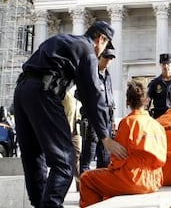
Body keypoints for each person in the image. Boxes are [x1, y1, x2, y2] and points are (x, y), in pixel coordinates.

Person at [13, 20, 127, 208]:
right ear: (101, 39)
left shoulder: (62, 40)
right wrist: (105, 137)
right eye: (105, 46)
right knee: (65, 161)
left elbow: (82, 93)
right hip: (44, 93)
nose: (102, 53)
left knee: (33, 156)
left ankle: (39, 203)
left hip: (22, 92)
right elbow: (93, 95)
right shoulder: (88, 52)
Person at [79, 80, 167, 207]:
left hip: (133, 179)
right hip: (154, 180)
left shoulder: (127, 123)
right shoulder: (157, 125)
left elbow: (117, 160)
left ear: (127, 102)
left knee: (86, 178)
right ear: (147, 101)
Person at [80, 48, 117, 174]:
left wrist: (112, 120)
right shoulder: (91, 74)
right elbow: (80, 95)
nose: (108, 61)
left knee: (105, 157)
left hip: (106, 121)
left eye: (110, 59)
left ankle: (101, 188)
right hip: (93, 120)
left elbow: (110, 99)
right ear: (99, 58)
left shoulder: (108, 76)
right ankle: (84, 187)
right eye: (106, 58)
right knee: (88, 157)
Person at [147, 53, 171, 118]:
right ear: (160, 65)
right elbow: (147, 101)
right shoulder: (154, 83)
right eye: (164, 64)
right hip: (159, 117)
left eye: (168, 64)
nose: (166, 66)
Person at [61, 87, 82, 191]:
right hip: (65, 129)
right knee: (65, 158)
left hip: (76, 130)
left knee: (77, 155)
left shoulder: (79, 92)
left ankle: (79, 183)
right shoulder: (65, 91)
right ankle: (64, 185)